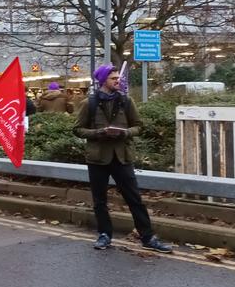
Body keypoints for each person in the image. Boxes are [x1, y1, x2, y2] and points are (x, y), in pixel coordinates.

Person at [73, 63, 173, 253]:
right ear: (103, 81)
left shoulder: (127, 102)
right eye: (113, 78)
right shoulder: (90, 103)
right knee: (99, 200)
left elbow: (139, 126)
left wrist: (125, 133)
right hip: (98, 158)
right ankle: (104, 234)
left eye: (118, 78)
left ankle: (148, 237)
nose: (118, 81)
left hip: (122, 157)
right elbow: (77, 129)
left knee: (134, 198)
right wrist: (99, 132)